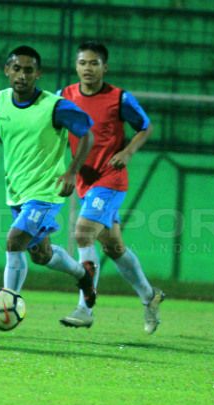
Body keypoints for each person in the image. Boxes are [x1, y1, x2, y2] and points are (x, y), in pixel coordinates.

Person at [0, 45, 96, 332]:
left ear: (38, 74)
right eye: (17, 69)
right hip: (17, 192)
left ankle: (6, 308)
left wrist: (72, 171)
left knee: (14, 241)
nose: (22, 75)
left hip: (47, 192)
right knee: (40, 254)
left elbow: (87, 134)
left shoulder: (54, 106)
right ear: (7, 71)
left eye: (29, 70)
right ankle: (81, 275)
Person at [57, 41, 164, 334]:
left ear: (105, 67)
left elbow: (146, 126)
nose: (87, 68)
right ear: (76, 66)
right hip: (84, 181)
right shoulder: (64, 96)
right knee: (115, 248)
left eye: (94, 63)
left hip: (111, 179)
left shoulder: (119, 99)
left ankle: (85, 307)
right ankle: (149, 296)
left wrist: (127, 152)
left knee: (82, 232)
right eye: (83, 63)